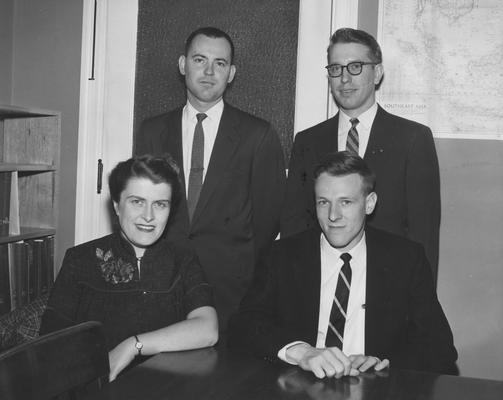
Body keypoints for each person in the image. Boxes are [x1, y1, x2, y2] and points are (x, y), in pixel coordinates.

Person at [229, 152, 457, 379]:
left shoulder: (405, 259)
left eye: (345, 202)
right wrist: (302, 352)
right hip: (301, 386)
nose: (333, 216)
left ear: (369, 204)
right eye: (323, 202)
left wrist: (383, 363)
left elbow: (440, 346)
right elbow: (244, 325)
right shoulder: (281, 255)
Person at [135, 27, 286, 329]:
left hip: (230, 287)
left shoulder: (258, 135)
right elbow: (142, 206)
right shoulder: (152, 131)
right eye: (199, 59)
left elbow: (267, 220)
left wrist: (241, 270)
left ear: (231, 73)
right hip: (164, 279)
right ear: (182, 65)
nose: (208, 71)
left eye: (219, 63)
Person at [40, 155, 218, 381]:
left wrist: (133, 345)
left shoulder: (183, 259)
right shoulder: (80, 259)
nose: (148, 216)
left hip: (167, 390)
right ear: (116, 205)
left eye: (160, 204)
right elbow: (50, 345)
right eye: (137, 202)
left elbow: (207, 329)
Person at [282, 28, 440, 277]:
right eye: (336, 69)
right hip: (320, 281)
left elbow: (424, 232)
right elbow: (294, 225)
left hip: (389, 282)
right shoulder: (307, 141)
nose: (344, 79)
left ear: (377, 73)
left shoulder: (412, 139)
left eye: (355, 67)